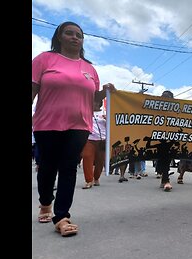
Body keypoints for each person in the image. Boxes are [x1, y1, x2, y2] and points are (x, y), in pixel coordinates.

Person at [32, 21, 117, 237]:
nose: (74, 37)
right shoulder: (44, 59)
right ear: (59, 37)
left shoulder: (90, 69)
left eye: (79, 35)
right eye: (69, 33)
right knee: (48, 167)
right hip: (47, 124)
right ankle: (45, 202)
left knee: (69, 167)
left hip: (79, 125)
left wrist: (104, 92)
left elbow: (95, 105)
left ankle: (61, 216)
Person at [80, 100, 106, 189]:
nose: (93, 103)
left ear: (99, 103)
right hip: (89, 139)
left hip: (102, 140)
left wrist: (108, 118)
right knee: (87, 157)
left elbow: (112, 125)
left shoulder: (105, 112)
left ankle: (96, 177)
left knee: (100, 161)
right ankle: (88, 180)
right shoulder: (86, 112)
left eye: (95, 102)